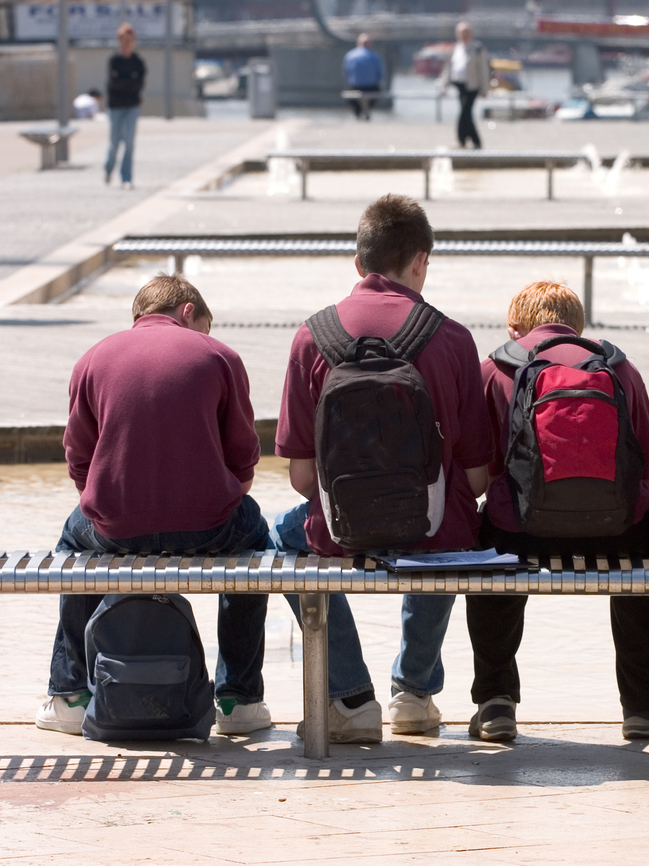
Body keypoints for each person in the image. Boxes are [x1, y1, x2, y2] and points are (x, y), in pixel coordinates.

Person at [470, 280, 649, 742]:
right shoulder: (618, 367)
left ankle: (496, 703)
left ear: (515, 328)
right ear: (578, 327)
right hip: (614, 531)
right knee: (646, 558)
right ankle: (642, 707)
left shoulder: (496, 367)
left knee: (490, 543)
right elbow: (645, 472)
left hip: (521, 531)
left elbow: (482, 464)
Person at [274, 194, 492, 742]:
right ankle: (414, 696)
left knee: (280, 538)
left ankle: (349, 697)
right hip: (435, 534)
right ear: (421, 261)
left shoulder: (311, 336)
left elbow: (302, 479)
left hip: (338, 532)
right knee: (450, 523)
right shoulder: (453, 338)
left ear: (358, 263)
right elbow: (476, 479)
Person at [36, 275, 276, 737]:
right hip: (210, 526)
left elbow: (78, 460)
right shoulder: (221, 357)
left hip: (116, 528)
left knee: (73, 542)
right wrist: (219, 498)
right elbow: (244, 457)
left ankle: (68, 695)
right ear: (188, 312)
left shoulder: (93, 358)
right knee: (256, 542)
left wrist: (111, 505)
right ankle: (238, 700)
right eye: (203, 327)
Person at [105, 22, 145, 190]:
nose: (126, 43)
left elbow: (139, 84)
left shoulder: (138, 62)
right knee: (114, 143)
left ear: (134, 41)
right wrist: (128, 82)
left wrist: (125, 83)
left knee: (129, 142)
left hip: (132, 106)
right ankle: (108, 169)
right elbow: (113, 83)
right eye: (123, 39)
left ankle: (126, 177)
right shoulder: (114, 60)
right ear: (119, 40)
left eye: (130, 39)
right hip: (115, 107)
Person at [438, 21, 490, 149]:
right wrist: (443, 85)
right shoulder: (455, 48)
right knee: (467, 114)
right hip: (459, 84)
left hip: (472, 86)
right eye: (461, 33)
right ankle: (476, 141)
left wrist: (484, 88)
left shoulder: (477, 48)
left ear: (471, 33)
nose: (463, 35)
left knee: (464, 112)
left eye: (466, 32)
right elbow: (448, 68)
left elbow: (484, 69)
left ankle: (461, 140)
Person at [342, 33, 385, 120]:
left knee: (349, 94)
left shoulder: (350, 55)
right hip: (371, 87)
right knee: (377, 92)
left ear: (358, 43)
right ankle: (367, 112)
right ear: (369, 44)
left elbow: (346, 73)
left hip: (355, 87)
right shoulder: (375, 56)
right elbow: (380, 74)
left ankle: (358, 114)